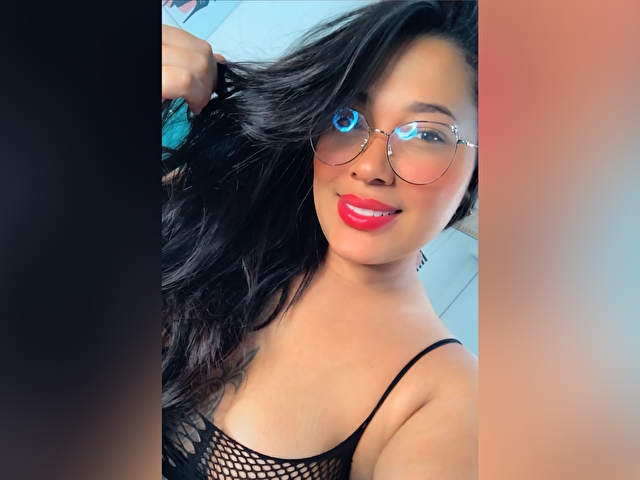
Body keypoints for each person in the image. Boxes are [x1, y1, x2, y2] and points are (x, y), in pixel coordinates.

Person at [161, 1, 478, 479]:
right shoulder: (216, 222)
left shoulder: (444, 398)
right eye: (348, 118)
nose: (369, 166)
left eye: (426, 135)